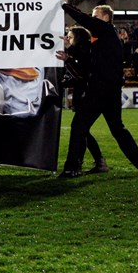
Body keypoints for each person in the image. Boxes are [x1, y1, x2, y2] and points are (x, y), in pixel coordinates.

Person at [59, 2, 138, 178]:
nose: (93, 20)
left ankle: (72, 167)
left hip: (100, 89)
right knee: (118, 130)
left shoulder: (106, 31)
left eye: (96, 16)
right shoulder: (104, 39)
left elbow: (83, 20)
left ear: (105, 18)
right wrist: (70, 52)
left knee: (79, 125)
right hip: (110, 90)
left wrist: (65, 6)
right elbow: (88, 62)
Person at [55, 26, 109, 174]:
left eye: (70, 37)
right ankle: (99, 162)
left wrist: (67, 60)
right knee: (82, 131)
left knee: (79, 129)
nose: (68, 40)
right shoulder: (80, 51)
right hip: (87, 96)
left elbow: (81, 76)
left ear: (78, 38)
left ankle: (76, 165)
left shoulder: (86, 51)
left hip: (89, 97)